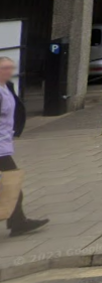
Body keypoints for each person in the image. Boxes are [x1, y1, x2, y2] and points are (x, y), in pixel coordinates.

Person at [0, 58, 46, 237]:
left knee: (11, 183)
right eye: (4, 68)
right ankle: (18, 222)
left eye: (10, 68)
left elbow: (15, 110)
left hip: (5, 143)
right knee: (12, 183)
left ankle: (17, 221)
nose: (8, 71)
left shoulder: (7, 86)